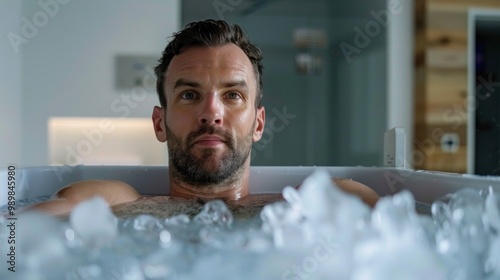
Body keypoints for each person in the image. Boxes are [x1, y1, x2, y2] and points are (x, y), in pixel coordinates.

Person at [31, 19, 379, 218]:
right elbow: (11, 240)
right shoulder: (113, 202)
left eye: (232, 95)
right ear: (158, 123)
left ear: (258, 124)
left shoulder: (314, 201)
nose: (211, 112)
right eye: (189, 95)